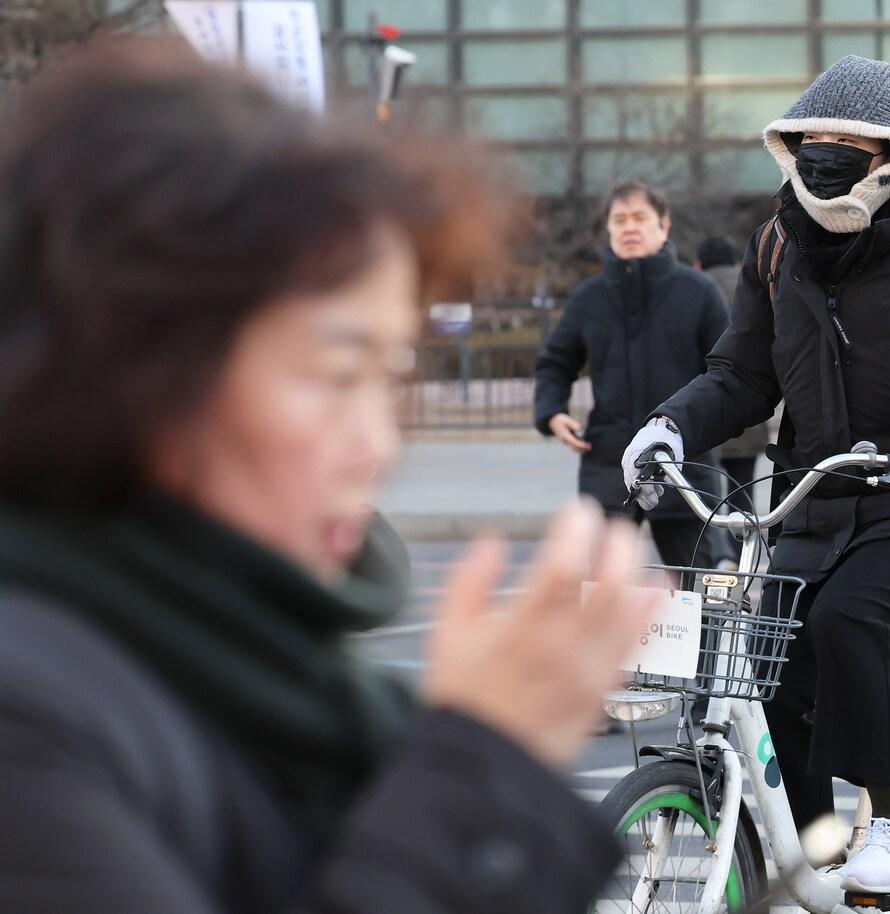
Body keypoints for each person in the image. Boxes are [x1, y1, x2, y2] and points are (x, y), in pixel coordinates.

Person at [0, 42, 660, 914]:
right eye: (336, 375)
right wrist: (482, 766)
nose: (378, 446)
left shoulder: (278, 679)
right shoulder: (31, 720)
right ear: (142, 370)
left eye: (390, 380)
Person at [620, 56, 890, 894]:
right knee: (770, 666)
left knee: (849, 616)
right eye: (811, 144)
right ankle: (810, 860)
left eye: (848, 147)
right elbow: (742, 374)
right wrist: (670, 424)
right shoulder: (777, 247)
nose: (824, 160)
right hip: (816, 503)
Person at [535, 182, 730, 568]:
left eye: (640, 217)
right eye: (619, 219)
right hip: (608, 464)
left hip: (684, 465)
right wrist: (551, 411)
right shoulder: (588, 298)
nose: (629, 227)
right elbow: (555, 361)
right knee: (597, 589)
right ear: (608, 229)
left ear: (664, 224)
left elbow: (727, 368)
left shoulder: (699, 292)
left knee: (695, 593)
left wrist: (708, 425)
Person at [696, 235, 770, 517]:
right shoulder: (751, 284)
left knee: (706, 499)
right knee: (742, 497)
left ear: (699, 264)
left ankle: (717, 544)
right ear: (737, 262)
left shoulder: (696, 288)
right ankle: (741, 543)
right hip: (748, 415)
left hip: (707, 413)